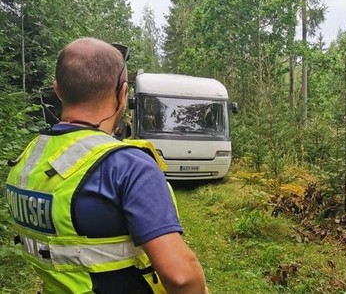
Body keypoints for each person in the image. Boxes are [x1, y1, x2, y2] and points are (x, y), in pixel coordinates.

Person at [6, 37, 209, 294]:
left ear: (57, 89)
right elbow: (181, 277)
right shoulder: (129, 165)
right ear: (123, 92)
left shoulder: (28, 157)